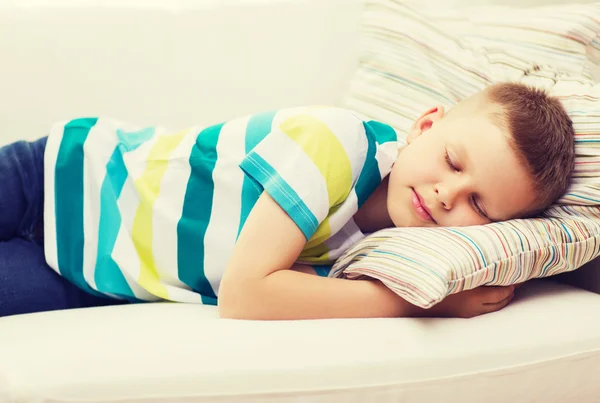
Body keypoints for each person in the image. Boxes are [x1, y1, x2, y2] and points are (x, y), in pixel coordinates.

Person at [0, 82, 574, 319]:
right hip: (62, 177)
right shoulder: (337, 143)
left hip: (91, 273)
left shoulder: (378, 249)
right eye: (452, 162)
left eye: (480, 206)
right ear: (426, 125)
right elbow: (246, 294)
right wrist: (422, 305)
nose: (448, 196)